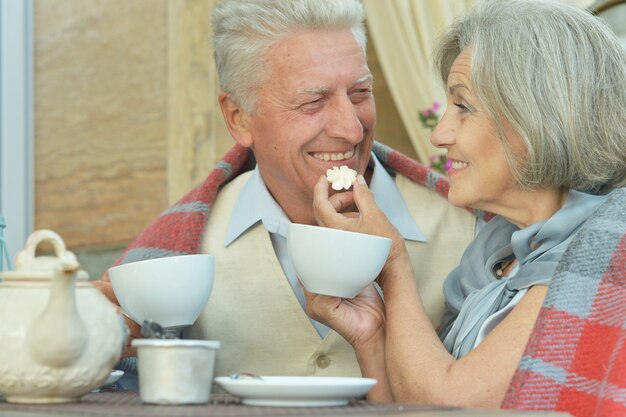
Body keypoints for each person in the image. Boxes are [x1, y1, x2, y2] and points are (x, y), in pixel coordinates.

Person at [93, 0, 478, 381]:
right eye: (313, 101)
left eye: (360, 93)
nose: (351, 129)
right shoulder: (178, 250)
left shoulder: (476, 237)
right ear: (238, 117)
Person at [304, 0, 626, 407]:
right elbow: (410, 409)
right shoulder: (495, 254)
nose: (439, 135)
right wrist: (372, 334)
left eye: (463, 107)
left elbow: (449, 406)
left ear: (539, 118)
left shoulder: (609, 250)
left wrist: (392, 263)